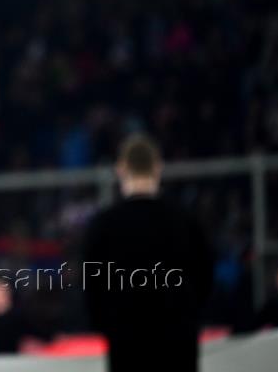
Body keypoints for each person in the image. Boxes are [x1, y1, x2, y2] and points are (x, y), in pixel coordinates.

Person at [82, 133, 213, 372]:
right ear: (158, 168)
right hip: (178, 344)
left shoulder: (104, 226)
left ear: (121, 170)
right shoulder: (185, 222)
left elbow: (93, 289)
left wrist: (110, 325)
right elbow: (204, 281)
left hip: (127, 345)